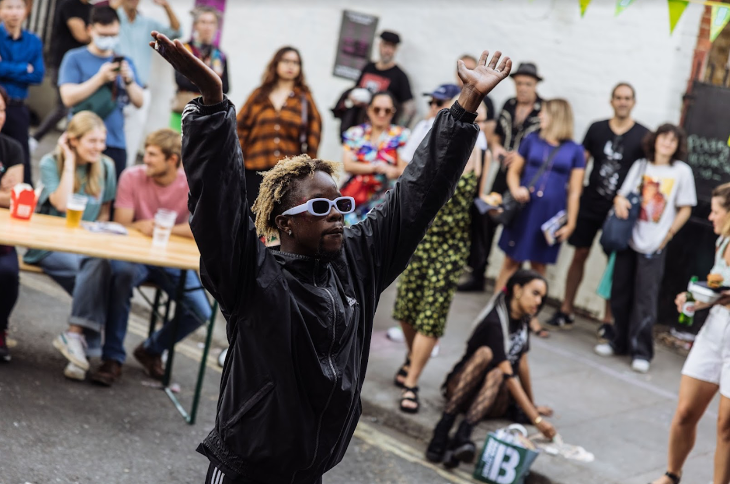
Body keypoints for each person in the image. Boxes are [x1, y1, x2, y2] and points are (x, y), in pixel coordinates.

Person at [149, 30, 511, 483]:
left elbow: (415, 195)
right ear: (284, 222)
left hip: (311, 472)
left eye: (341, 204)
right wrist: (212, 104)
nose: (337, 215)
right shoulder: (252, 276)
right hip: (247, 468)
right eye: (320, 208)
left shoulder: (359, 261)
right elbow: (218, 204)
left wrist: (464, 108)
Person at [88, 128, 209, 385]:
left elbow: (198, 229)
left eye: (153, 155)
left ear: (172, 160)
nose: (146, 159)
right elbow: (122, 222)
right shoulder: (132, 176)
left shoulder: (191, 184)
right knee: (120, 276)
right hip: (135, 256)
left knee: (201, 311)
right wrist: (139, 226)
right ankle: (112, 358)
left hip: (171, 259)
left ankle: (151, 349)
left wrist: (159, 227)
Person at [392, 90, 483, 414]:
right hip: (422, 237)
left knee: (432, 314)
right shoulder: (434, 140)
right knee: (406, 309)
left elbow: (485, 196)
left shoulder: (483, 152)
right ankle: (412, 355)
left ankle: (412, 381)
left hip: (452, 245)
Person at [425, 270, 557, 468]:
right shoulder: (494, 321)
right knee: (486, 355)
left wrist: (531, 404)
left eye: (542, 297)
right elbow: (510, 376)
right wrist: (536, 419)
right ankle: (443, 427)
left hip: (492, 397)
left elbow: (522, 364)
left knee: (496, 373)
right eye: (535, 293)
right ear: (517, 289)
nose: (539, 302)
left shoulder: (523, 321)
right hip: (462, 388)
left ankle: (463, 434)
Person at [547, 83, 648, 336]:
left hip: (618, 210)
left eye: (627, 98)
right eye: (618, 98)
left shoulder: (644, 135)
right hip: (590, 202)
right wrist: (574, 195)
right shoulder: (597, 128)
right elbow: (582, 164)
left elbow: (645, 174)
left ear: (633, 102)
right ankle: (566, 309)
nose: (622, 102)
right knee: (579, 254)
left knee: (613, 262)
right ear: (611, 101)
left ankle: (608, 321)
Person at [595, 124, 697, 373]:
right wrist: (619, 201)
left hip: (655, 243)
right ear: (655, 140)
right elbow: (622, 194)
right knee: (620, 292)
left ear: (678, 146)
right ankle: (618, 342)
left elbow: (686, 207)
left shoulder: (682, 172)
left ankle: (642, 351)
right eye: (664, 138)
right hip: (629, 238)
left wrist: (669, 234)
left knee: (645, 299)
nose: (667, 144)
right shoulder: (641, 165)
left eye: (673, 140)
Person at [23, 111, 117, 380]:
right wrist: (69, 163)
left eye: (102, 141)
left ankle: (74, 338)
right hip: (49, 246)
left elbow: (104, 212)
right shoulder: (52, 162)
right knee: (96, 280)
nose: (99, 148)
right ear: (72, 141)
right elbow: (62, 204)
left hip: (85, 247)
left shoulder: (106, 166)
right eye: (92, 142)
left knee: (99, 265)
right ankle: (88, 344)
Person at [650, 184, 730, 484]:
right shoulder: (722, 240)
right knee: (685, 411)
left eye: (717, 211)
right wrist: (693, 299)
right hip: (715, 329)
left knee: (726, 426)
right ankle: (672, 474)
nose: (710, 216)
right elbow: (716, 287)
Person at [493, 99, 585, 337]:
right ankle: (497, 309)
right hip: (525, 209)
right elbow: (514, 172)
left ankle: (530, 318)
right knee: (510, 261)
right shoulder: (531, 140)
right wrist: (515, 189)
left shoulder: (575, 150)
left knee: (538, 267)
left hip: (550, 216)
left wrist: (572, 223)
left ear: (556, 116)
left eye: (544, 114)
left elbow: (575, 190)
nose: (540, 117)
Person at [458, 62, 543, 293]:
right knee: (485, 217)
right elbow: (495, 135)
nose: (522, 88)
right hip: (501, 173)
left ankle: (513, 284)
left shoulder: (542, 110)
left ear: (536, 85)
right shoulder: (509, 104)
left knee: (516, 225)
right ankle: (478, 273)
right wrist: (496, 148)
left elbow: (545, 146)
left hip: (525, 178)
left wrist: (523, 156)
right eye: (519, 83)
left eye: (528, 84)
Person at [58, 5, 144, 180]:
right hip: (80, 140)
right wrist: (100, 78)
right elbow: (67, 98)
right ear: (91, 30)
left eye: (113, 35)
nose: (109, 40)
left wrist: (128, 80)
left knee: (109, 199)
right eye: (104, 35)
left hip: (114, 141)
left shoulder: (126, 61)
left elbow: (139, 101)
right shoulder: (74, 58)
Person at [236, 46, 321, 210]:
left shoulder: (304, 99)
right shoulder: (259, 95)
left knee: (278, 221)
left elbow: (314, 134)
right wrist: (236, 163)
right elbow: (240, 129)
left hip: (287, 174)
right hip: (254, 169)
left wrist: (309, 170)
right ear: (276, 64)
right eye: (286, 61)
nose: (291, 66)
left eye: (296, 63)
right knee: (249, 218)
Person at [109, 0, 181, 167]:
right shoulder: (114, 19)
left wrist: (166, 6)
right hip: (113, 89)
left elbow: (177, 31)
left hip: (139, 90)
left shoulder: (147, 23)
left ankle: (123, 183)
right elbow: (100, 19)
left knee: (131, 146)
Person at [31, 0, 92, 151]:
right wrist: (100, 31)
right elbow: (82, 35)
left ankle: (72, 144)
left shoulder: (92, 8)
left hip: (82, 65)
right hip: (62, 63)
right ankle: (35, 138)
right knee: (64, 106)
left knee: (77, 108)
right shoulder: (68, 5)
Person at [341, 91, 409, 224]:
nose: (382, 114)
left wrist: (391, 170)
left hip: (384, 201)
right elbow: (347, 165)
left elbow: (404, 171)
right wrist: (377, 167)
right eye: (377, 109)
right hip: (355, 196)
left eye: (387, 110)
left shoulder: (401, 135)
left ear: (393, 112)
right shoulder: (355, 133)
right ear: (369, 109)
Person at [332, 30, 415, 135]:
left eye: (391, 47)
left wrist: (396, 129)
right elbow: (356, 88)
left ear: (396, 50)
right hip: (357, 127)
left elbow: (410, 108)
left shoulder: (400, 76)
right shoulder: (369, 67)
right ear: (379, 45)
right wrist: (353, 98)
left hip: (380, 132)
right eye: (385, 45)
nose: (387, 50)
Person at [0, 0, 45, 185]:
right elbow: (29, 71)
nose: (14, 12)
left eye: (19, 7)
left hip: (18, 107)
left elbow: (38, 75)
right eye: (9, 7)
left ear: (26, 10)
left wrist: (5, 67)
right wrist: (22, 68)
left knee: (22, 158)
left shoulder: (33, 41)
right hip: (0, 103)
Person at [169, 5, 228, 133]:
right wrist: (210, 84)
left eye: (212, 23)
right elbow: (180, 80)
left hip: (208, 114)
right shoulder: (184, 49)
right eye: (203, 22)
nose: (207, 27)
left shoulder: (220, 55)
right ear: (195, 25)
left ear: (217, 27)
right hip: (183, 109)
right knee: (174, 148)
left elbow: (226, 87)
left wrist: (197, 80)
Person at [0, 86, 24, 361]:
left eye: (3, 110)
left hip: (3, 237)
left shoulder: (12, 148)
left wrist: (9, 196)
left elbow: (16, 197)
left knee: (7, 274)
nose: (0, 116)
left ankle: (0, 328)